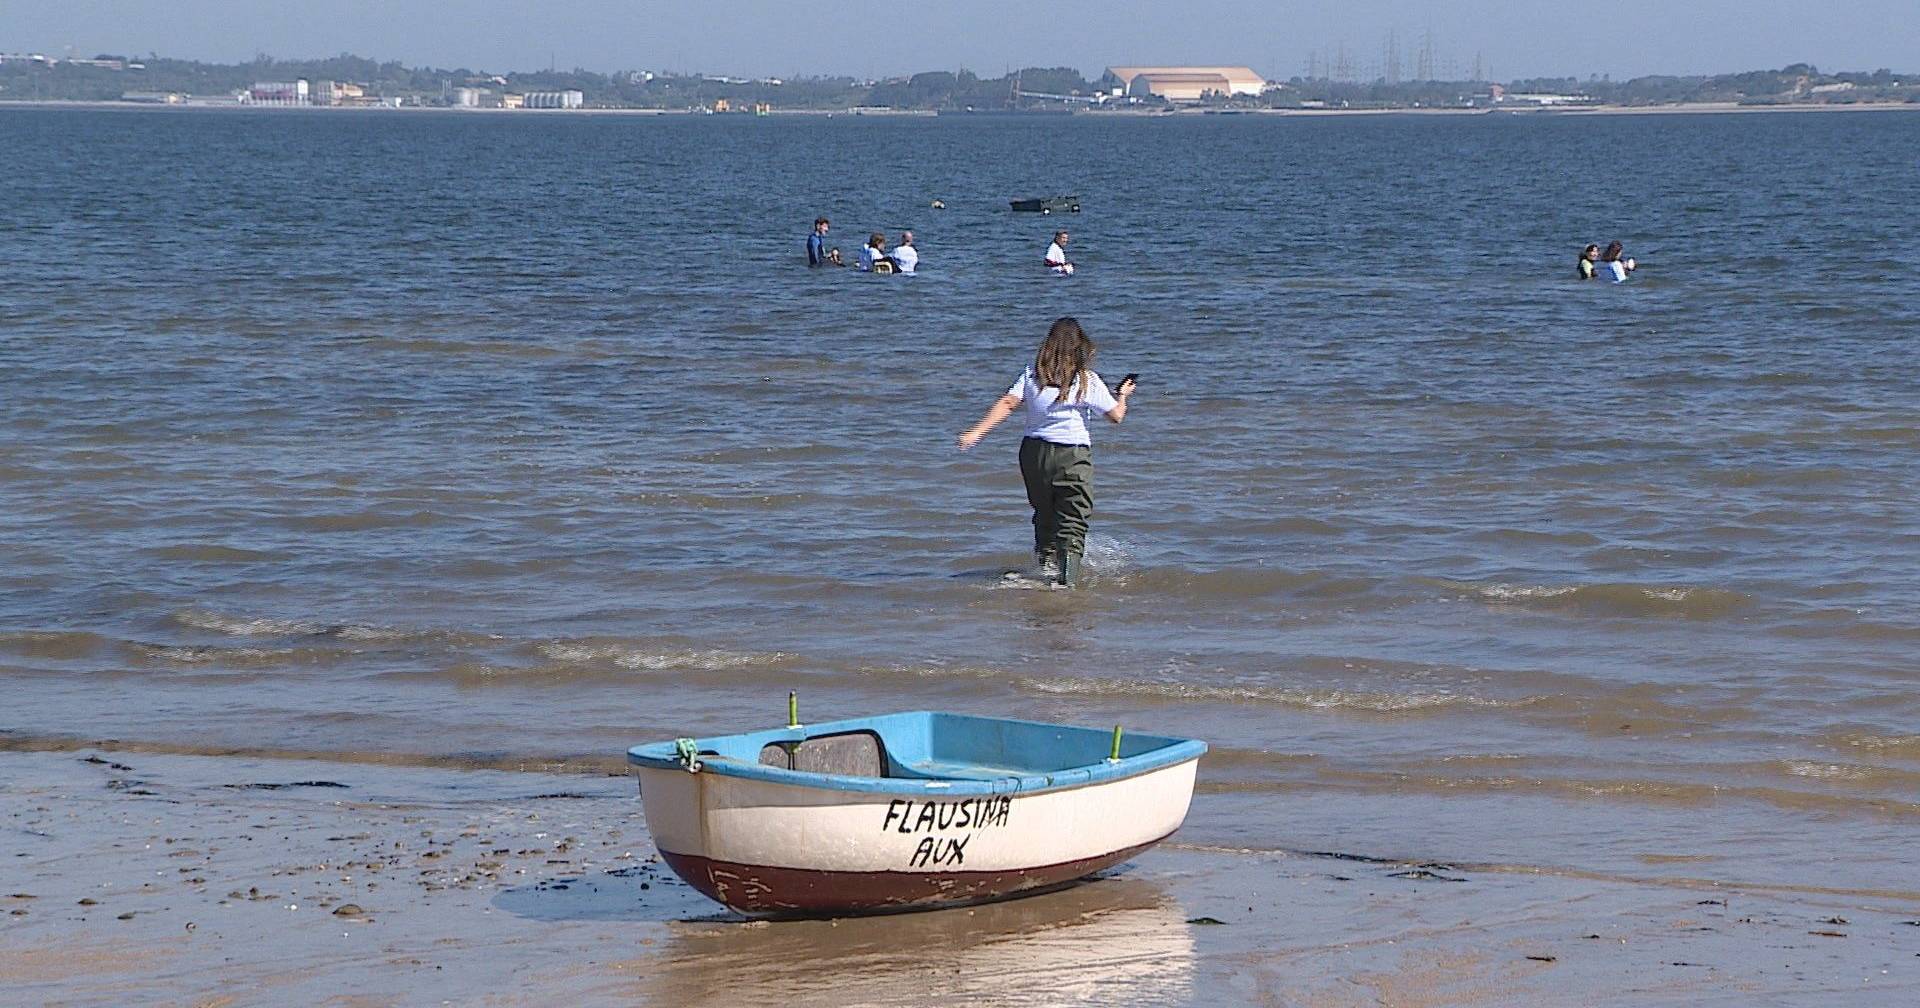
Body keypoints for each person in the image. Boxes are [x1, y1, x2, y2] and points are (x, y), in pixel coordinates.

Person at [956, 317, 1136, 588]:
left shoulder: (1033, 374)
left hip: (1034, 454)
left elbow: (1008, 403)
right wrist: (1122, 396)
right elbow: (1116, 417)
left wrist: (976, 432)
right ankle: (1066, 583)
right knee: (1073, 518)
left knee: (1044, 513)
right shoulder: (1086, 380)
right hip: (1072, 456)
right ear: (1080, 346)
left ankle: (1046, 570)